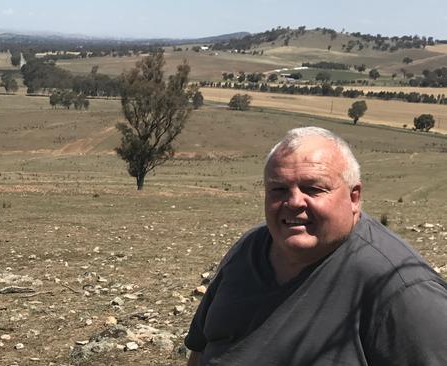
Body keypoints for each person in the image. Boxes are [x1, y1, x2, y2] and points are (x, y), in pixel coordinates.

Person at [185, 126, 447, 365]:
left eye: (313, 188)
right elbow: (200, 349)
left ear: (354, 198)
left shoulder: (402, 290)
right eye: (278, 190)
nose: (294, 202)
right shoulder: (249, 249)